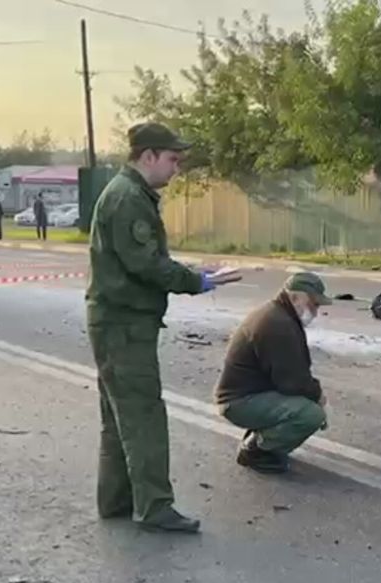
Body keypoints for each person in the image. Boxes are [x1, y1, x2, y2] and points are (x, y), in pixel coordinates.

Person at [86, 121, 220, 533]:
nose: (176, 168)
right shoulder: (128, 199)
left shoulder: (127, 193)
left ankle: (116, 501)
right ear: (148, 156)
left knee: (119, 416)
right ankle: (155, 506)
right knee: (143, 416)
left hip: (114, 322)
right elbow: (145, 264)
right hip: (125, 325)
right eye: (172, 159)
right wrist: (195, 281)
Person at [214, 272, 331, 474]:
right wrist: (319, 397)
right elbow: (293, 382)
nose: (315, 311)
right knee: (310, 414)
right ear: (295, 297)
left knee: (306, 402)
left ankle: (262, 436)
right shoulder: (278, 324)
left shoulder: (279, 314)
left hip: (247, 394)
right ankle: (256, 451)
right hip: (239, 402)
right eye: (313, 304)